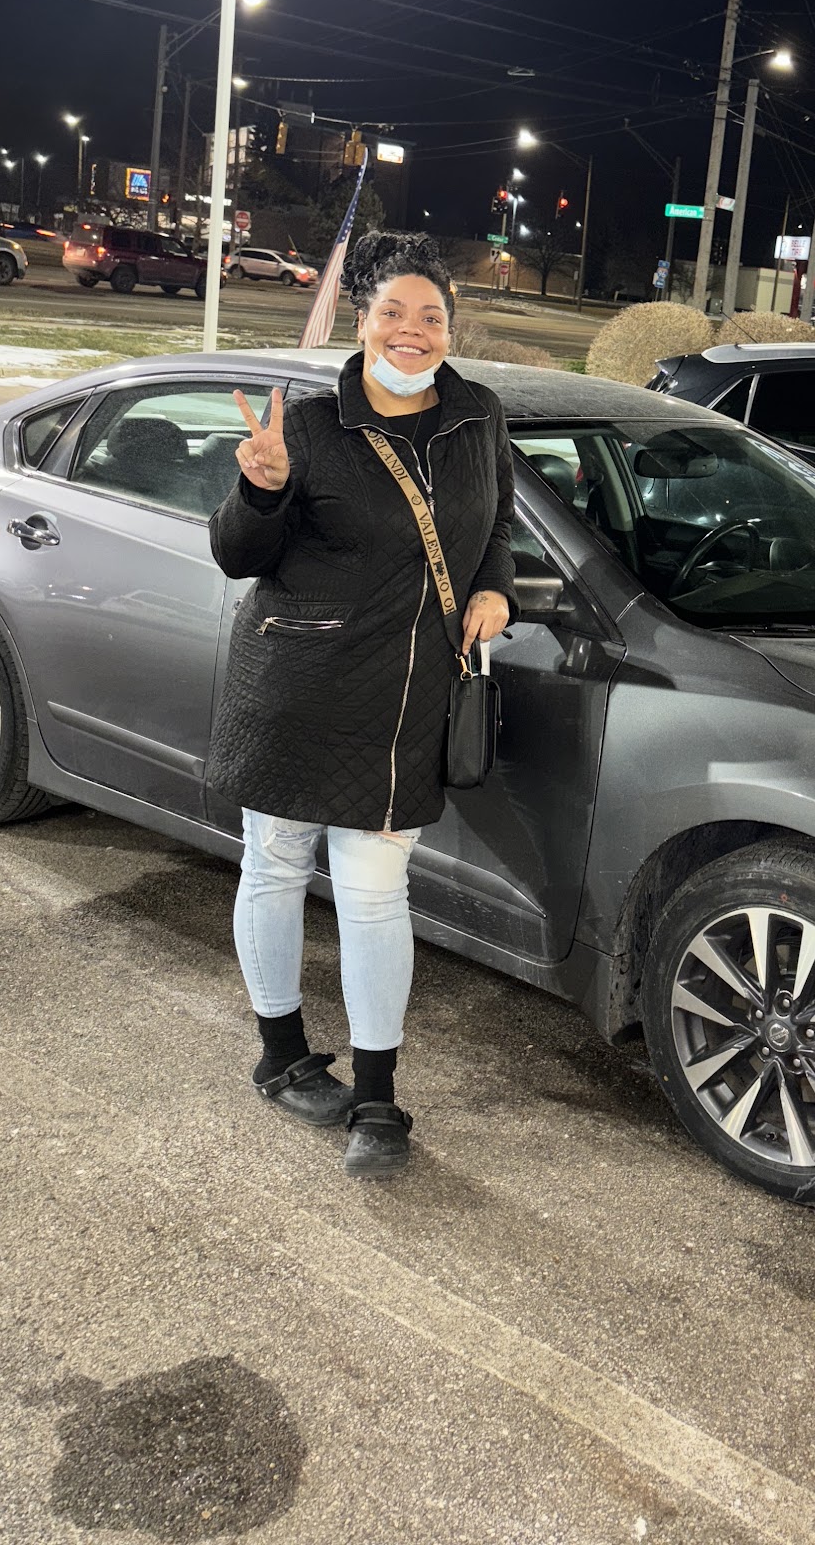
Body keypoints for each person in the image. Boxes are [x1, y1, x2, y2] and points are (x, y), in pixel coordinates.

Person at [206, 230, 516, 1177]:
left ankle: (377, 1099)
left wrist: (494, 588)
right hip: (297, 688)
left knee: (377, 896)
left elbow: (497, 524)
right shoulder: (304, 428)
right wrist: (259, 490)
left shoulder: (479, 417)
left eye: (431, 316)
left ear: (450, 329)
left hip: (408, 697)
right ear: (362, 320)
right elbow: (239, 556)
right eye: (393, 312)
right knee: (275, 864)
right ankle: (281, 1056)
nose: (411, 331)